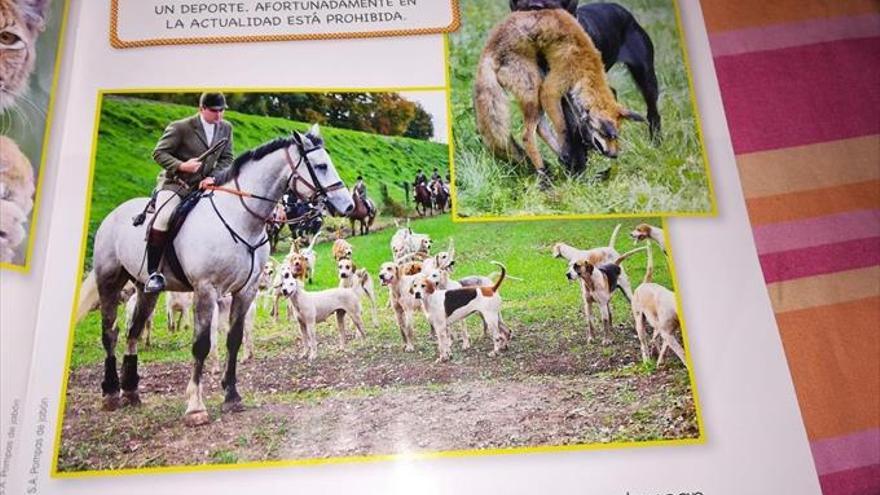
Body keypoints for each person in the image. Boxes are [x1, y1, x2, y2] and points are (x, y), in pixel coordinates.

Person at [145, 92, 235, 293]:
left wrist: (213, 177)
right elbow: (158, 153)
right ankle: (153, 273)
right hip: (176, 184)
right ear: (201, 108)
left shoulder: (226, 128)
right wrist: (182, 166)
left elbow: (227, 158)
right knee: (164, 217)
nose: (219, 115)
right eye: (214, 111)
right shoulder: (180, 127)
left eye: (222, 110)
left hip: (206, 185)